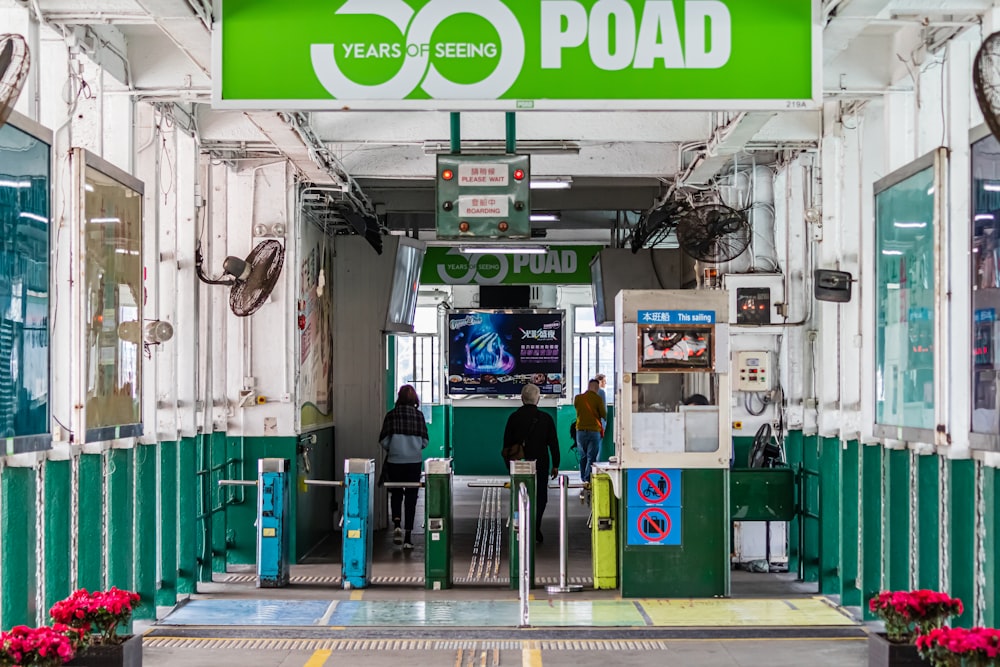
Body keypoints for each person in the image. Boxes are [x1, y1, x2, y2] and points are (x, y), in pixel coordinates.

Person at [502, 383, 560, 544]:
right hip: (540, 463)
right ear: (538, 399)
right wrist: (556, 464)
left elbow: (506, 445)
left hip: (519, 465)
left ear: (522, 399)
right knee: (541, 496)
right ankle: (535, 527)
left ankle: (520, 525)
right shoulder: (546, 418)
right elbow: (553, 444)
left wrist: (510, 466)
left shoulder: (513, 418)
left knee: (519, 495)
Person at [378, 385, 428, 550]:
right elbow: (425, 442)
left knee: (396, 493)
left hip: (395, 462)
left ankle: (397, 524)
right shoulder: (419, 416)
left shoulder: (391, 415)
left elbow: (383, 440)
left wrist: (394, 448)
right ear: (415, 399)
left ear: (398, 397)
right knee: (412, 498)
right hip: (413, 462)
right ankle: (408, 537)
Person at [574, 379, 607, 491]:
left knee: (582, 456)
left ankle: (583, 478)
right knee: (591, 456)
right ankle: (587, 478)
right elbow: (603, 414)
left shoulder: (578, 398)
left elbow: (577, 409)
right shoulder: (598, 399)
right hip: (594, 431)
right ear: (596, 388)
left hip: (580, 431)